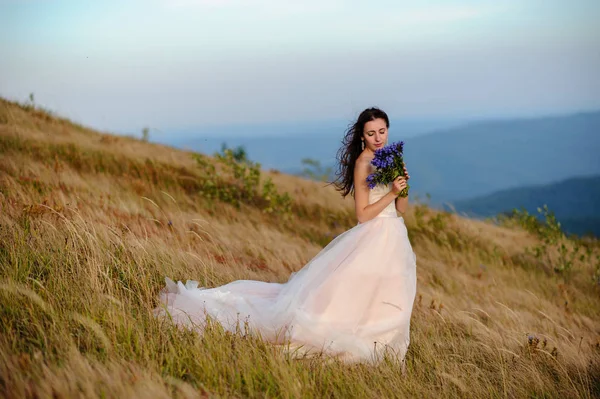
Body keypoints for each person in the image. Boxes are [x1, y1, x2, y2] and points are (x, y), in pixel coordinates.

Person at [154, 107, 417, 365]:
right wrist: (392, 193)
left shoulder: (393, 160)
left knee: (389, 297)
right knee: (354, 295)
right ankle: (359, 342)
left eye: (382, 131)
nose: (378, 138)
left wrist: (403, 188)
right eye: (371, 133)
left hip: (393, 237)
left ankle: (384, 349)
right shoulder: (363, 164)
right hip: (371, 237)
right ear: (362, 136)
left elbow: (400, 210)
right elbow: (362, 215)